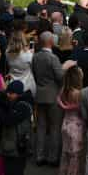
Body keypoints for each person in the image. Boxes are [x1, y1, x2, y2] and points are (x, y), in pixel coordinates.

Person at [0, 79, 34, 175]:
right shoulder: (16, 103)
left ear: (18, 94)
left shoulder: (23, 106)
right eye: (8, 92)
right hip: (13, 148)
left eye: (11, 93)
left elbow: (8, 120)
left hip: (17, 150)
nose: (8, 95)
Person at [31, 31, 64, 166]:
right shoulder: (53, 58)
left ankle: (39, 156)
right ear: (50, 42)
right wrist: (65, 68)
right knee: (55, 127)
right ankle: (52, 157)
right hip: (53, 95)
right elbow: (60, 77)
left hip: (39, 94)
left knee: (41, 126)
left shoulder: (36, 57)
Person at [57, 64, 85, 175]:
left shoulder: (64, 90)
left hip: (65, 124)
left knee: (66, 156)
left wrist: (66, 107)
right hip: (76, 127)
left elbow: (59, 102)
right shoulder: (78, 94)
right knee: (75, 158)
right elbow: (82, 112)